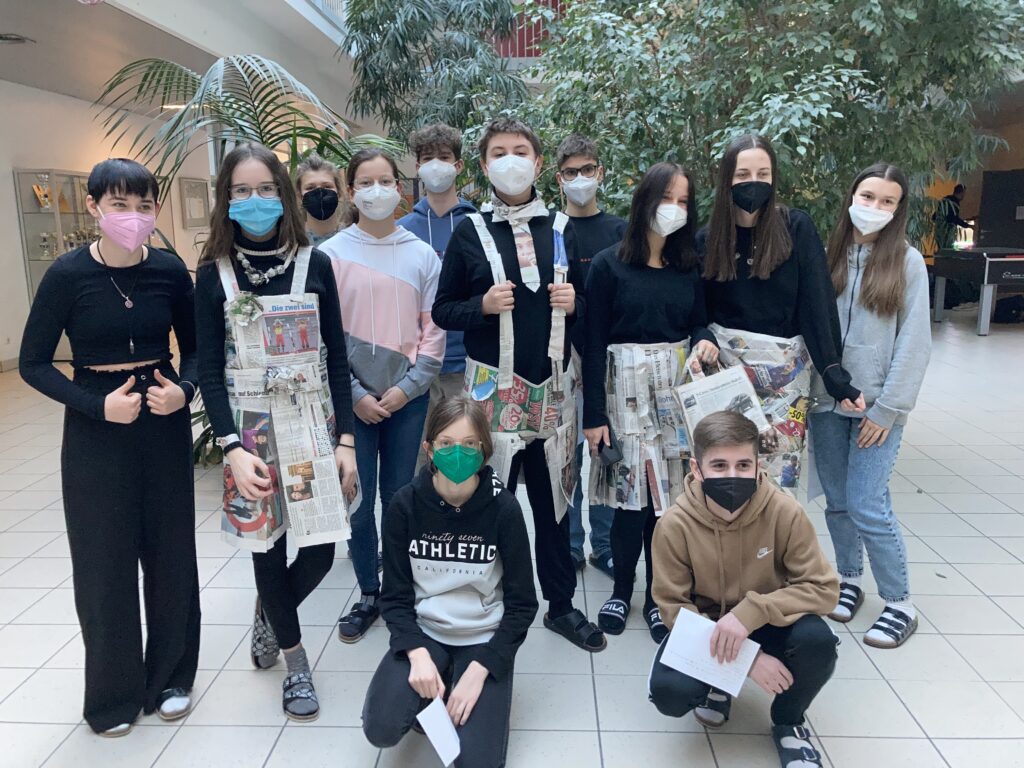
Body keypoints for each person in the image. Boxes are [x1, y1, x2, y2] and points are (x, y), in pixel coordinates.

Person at [19, 158, 200, 736]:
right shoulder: (66, 275)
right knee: (104, 558)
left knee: (171, 552)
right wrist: (96, 405)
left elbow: (199, 348)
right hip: (96, 425)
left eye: (144, 205)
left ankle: (171, 676)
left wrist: (185, 390)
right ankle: (112, 695)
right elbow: (32, 363)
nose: (134, 216)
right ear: (94, 206)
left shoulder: (169, 271)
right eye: (120, 204)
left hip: (162, 416)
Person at [195, 142, 358, 721]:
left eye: (266, 189)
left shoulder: (316, 264)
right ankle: (295, 661)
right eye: (241, 191)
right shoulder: (213, 274)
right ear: (226, 199)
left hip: (312, 424)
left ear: (284, 195)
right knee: (267, 549)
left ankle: (270, 610)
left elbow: (337, 358)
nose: (255, 200)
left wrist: (345, 442)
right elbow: (208, 372)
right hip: (250, 432)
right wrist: (231, 448)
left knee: (319, 551)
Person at [433, 116, 605, 652]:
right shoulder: (469, 231)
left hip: (552, 390)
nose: (511, 161)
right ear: (484, 165)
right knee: (487, 499)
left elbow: (590, 309)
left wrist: (577, 304)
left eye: (521, 151)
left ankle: (561, 606)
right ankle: (485, 601)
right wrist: (482, 306)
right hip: (491, 396)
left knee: (555, 505)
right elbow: (443, 310)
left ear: (538, 162)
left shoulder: (563, 228)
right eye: (499, 152)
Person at [649, 411, 839, 768]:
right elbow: (673, 608)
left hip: (770, 618)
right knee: (670, 693)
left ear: (757, 466)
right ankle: (719, 683)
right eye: (719, 465)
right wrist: (746, 659)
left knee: (819, 643)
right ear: (697, 469)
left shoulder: (785, 512)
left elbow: (824, 589)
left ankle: (788, 721)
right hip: (708, 626)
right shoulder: (674, 524)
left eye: (743, 465)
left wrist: (750, 613)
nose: (732, 476)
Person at [582, 162, 718, 643]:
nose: (674, 209)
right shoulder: (608, 265)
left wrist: (705, 339)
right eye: (666, 199)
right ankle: (621, 589)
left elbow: (699, 320)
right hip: (622, 396)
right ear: (645, 201)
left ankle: (658, 598)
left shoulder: (687, 266)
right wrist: (594, 415)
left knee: (667, 504)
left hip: (672, 397)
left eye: (683, 201)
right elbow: (592, 342)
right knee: (629, 500)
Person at [363, 397, 538, 767]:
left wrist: (483, 667)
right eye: (446, 443)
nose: (458, 453)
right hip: (426, 631)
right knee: (381, 728)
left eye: (469, 444)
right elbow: (394, 597)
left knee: (475, 763)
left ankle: (461, 676)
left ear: (484, 450)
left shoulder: (505, 509)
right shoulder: (404, 505)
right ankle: (438, 675)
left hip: (483, 636)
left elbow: (523, 604)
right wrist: (416, 653)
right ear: (429, 449)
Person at [320, 149, 445, 643]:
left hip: (407, 400)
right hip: (351, 402)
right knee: (357, 496)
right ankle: (369, 592)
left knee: (399, 497)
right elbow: (323, 336)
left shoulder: (421, 254)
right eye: (366, 182)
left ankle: (399, 589)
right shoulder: (329, 256)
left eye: (386, 181)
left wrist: (405, 389)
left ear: (400, 187)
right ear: (351, 191)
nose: (377, 191)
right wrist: (353, 394)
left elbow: (433, 330)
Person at [810, 162, 931, 649]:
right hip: (824, 402)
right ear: (851, 197)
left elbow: (914, 344)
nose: (875, 207)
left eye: (887, 201)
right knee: (838, 503)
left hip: (876, 409)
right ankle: (850, 577)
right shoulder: (828, 255)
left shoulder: (908, 263)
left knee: (868, 504)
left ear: (899, 209)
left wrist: (888, 410)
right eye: (867, 196)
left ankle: (900, 602)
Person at [698, 134, 864, 426]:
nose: (754, 182)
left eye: (763, 174)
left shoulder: (796, 228)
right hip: (725, 373)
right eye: (743, 175)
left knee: (783, 453)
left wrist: (835, 376)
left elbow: (817, 305)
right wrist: (702, 335)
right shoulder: (708, 240)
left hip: (787, 376)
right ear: (727, 180)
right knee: (727, 453)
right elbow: (698, 310)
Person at [555, 134, 627, 576]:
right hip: (563, 359)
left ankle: (604, 544)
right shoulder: (551, 230)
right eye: (571, 172)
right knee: (568, 456)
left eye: (587, 170)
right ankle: (571, 544)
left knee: (605, 454)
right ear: (558, 179)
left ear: (600, 173)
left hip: (610, 358)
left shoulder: (620, 231)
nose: (580, 178)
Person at [396, 124, 477, 466]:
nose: (436, 165)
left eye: (444, 157)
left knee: (466, 461)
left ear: (458, 165)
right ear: (417, 166)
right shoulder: (402, 231)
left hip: (469, 364)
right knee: (420, 464)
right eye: (428, 158)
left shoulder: (478, 225)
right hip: (416, 369)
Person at [295, 152, 348, 247]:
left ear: (339, 192)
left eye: (327, 186)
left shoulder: (353, 237)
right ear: (300, 196)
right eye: (310, 188)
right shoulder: (293, 240)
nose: (319, 192)